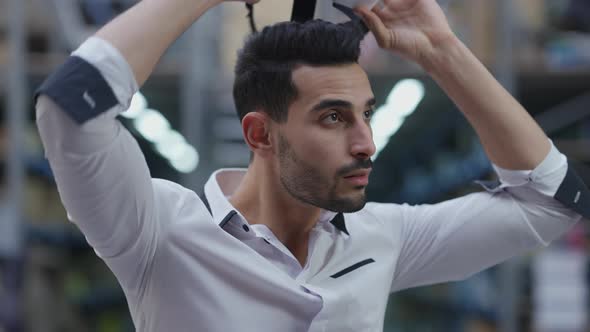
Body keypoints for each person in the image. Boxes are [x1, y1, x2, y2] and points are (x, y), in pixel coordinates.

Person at [35, 0, 583, 331]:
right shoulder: (157, 231)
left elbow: (553, 202)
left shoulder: (382, 236)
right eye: (333, 118)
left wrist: (442, 49)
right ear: (259, 133)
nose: (367, 142)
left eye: (365, 114)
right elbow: (71, 105)